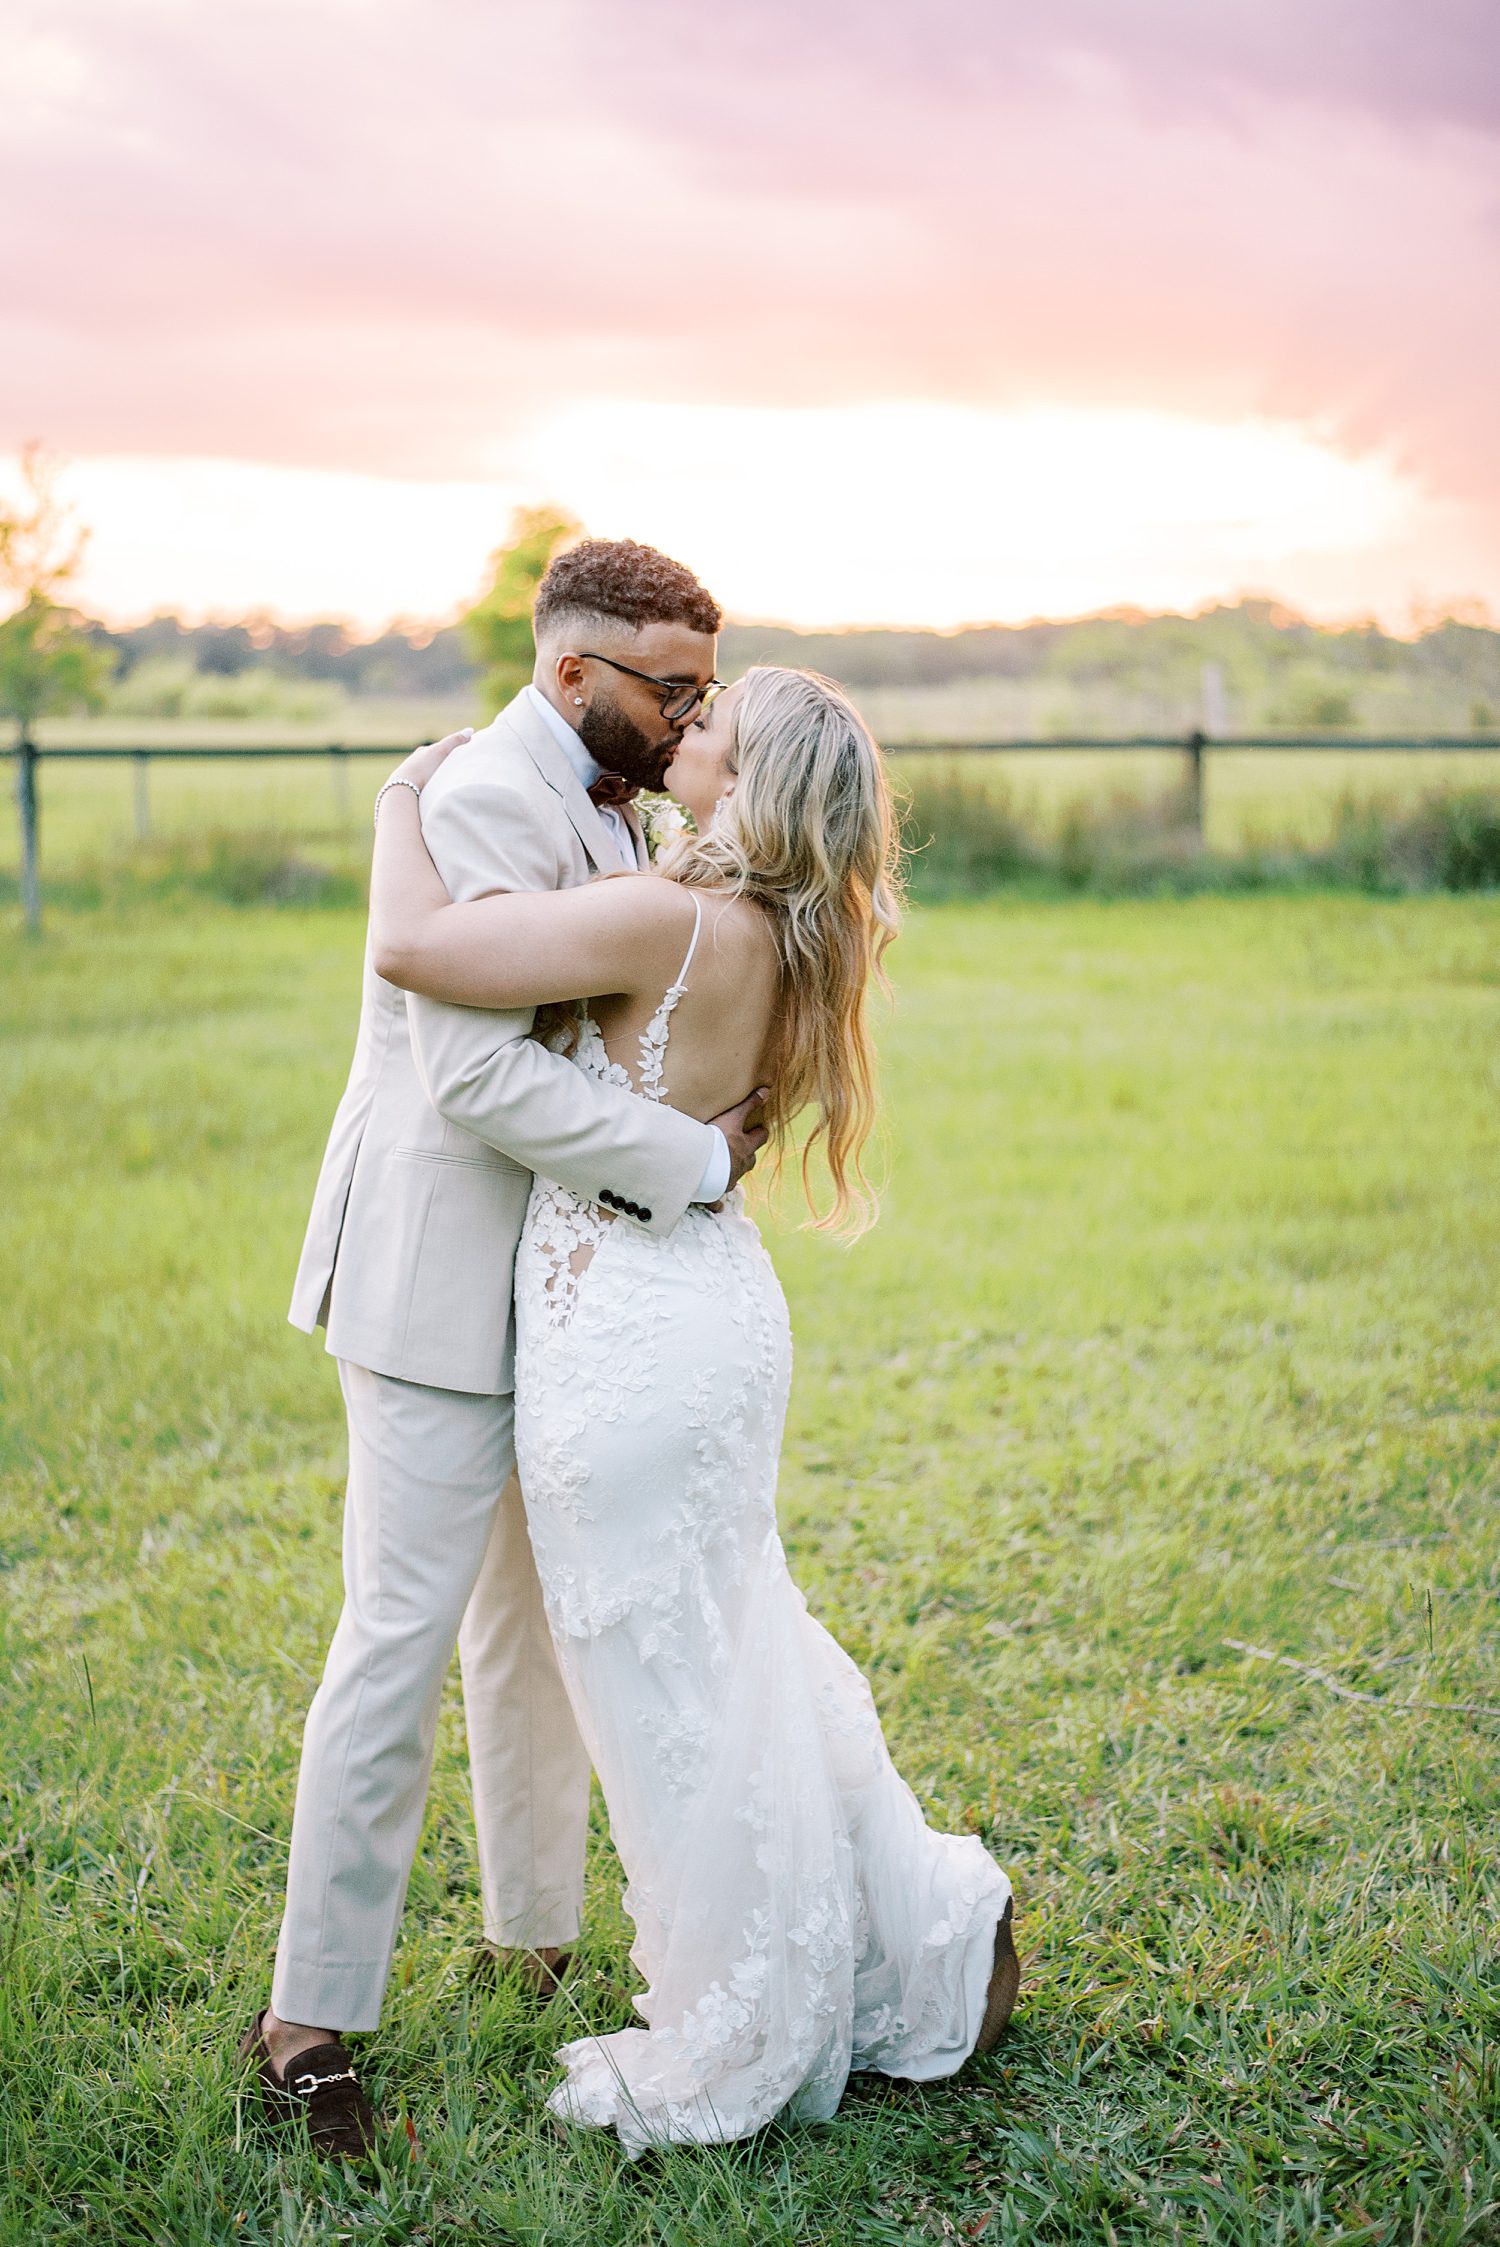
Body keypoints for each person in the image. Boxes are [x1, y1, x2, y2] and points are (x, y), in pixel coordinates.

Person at [365, 661, 1018, 2152]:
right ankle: (894, 1929)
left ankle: (747, 2014)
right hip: (714, 1314)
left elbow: (416, 948)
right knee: (727, 1643)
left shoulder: (663, 920)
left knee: (664, 1686)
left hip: (630, 1342)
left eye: (710, 727)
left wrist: (405, 793)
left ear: (751, 781)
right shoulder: (803, 939)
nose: (685, 730)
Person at [242, 540, 771, 2158]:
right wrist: (686, 1161)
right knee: (398, 1636)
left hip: (564, 1296)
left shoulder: (614, 801)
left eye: (701, 694)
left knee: (531, 1626)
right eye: (667, 689)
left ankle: (533, 1932)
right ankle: (307, 2022)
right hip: (432, 1281)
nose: (688, 720)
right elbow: (471, 1082)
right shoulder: (475, 797)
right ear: (571, 674)